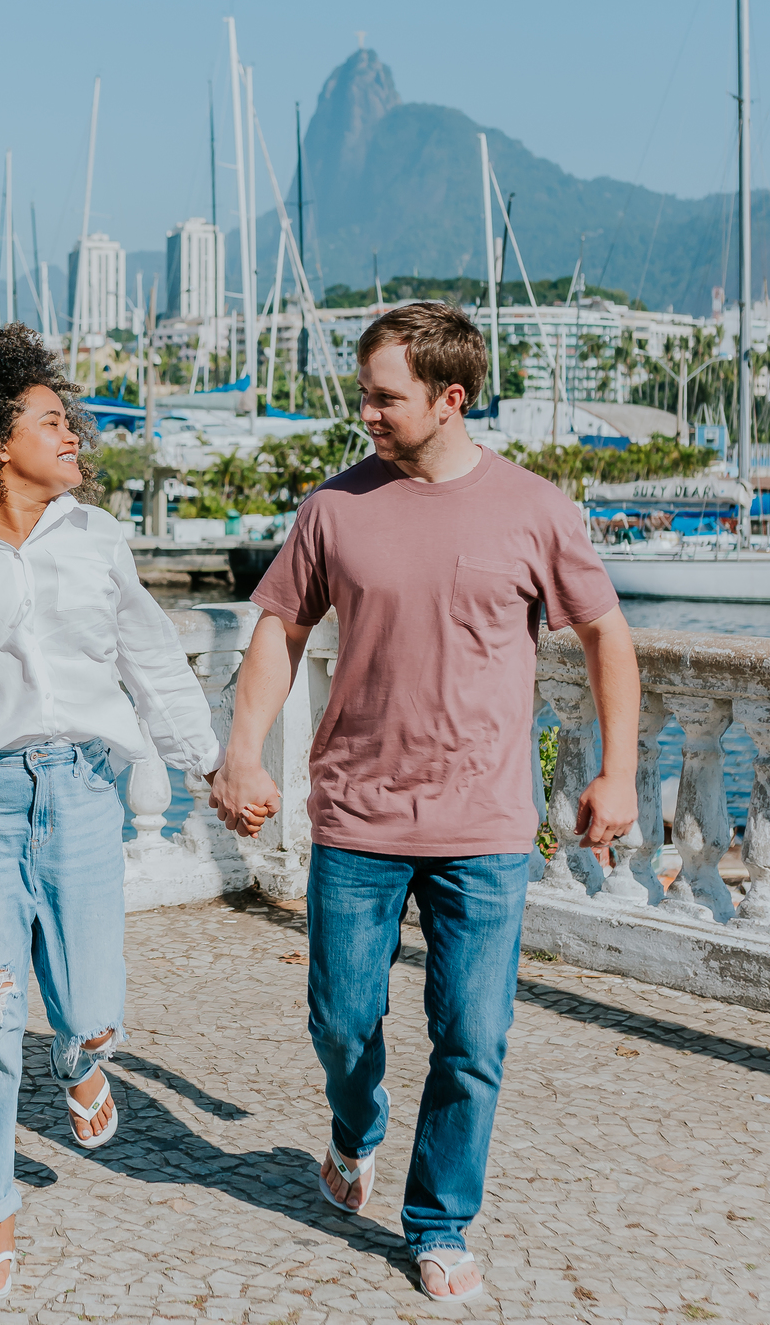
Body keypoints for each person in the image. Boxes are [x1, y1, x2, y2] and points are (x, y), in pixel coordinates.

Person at [210, 303, 639, 1308]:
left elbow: (607, 636)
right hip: (356, 818)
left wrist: (618, 773)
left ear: (451, 398)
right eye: (363, 392)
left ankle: (439, 1221)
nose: (365, 412)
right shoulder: (334, 508)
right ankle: (356, 1123)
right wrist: (243, 749)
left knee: (472, 1037)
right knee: (342, 1022)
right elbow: (279, 628)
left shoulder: (537, 509)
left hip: (485, 828)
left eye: (383, 396)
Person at [0, 323, 228, 1301]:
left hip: (80, 794)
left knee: (92, 1007)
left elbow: (151, 660)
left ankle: (82, 1064)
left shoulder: (98, 540)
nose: (73, 436)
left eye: (70, 423)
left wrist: (210, 765)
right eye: (53, 423)